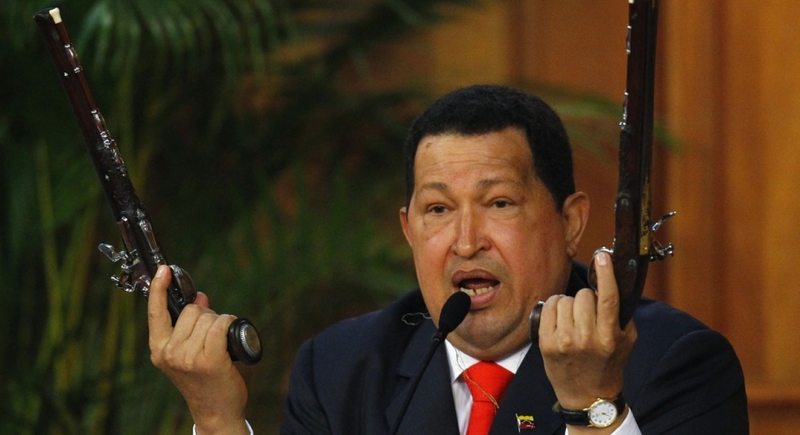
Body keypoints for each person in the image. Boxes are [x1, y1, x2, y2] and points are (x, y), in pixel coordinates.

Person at [148, 85, 748, 435]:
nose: (465, 241)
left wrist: (596, 407)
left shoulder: (673, 362)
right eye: (437, 210)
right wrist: (217, 419)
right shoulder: (341, 369)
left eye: (499, 203)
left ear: (570, 223)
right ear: (408, 230)